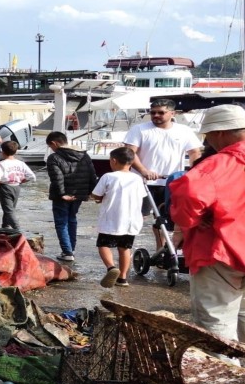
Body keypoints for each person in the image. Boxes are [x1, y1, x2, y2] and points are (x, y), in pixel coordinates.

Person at [170, 104, 245, 344]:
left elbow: (188, 195)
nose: (208, 140)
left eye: (208, 135)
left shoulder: (217, 165)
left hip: (220, 251)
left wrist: (193, 220)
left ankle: (223, 368)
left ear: (219, 132)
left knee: (215, 322)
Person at [124, 98, 202, 252]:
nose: (156, 115)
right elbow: (130, 152)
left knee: (164, 219)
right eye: (153, 112)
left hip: (170, 182)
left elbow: (194, 152)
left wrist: (193, 171)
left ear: (172, 113)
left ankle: (162, 250)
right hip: (142, 182)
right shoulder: (139, 129)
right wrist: (144, 171)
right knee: (137, 217)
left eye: (161, 112)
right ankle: (125, 248)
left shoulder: (184, 131)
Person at [90, 147, 146, 288]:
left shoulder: (108, 177)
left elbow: (96, 194)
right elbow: (142, 197)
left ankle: (111, 267)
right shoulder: (137, 178)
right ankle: (123, 278)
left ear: (114, 161)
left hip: (111, 219)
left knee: (103, 245)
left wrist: (98, 198)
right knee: (125, 248)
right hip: (131, 221)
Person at [45, 131, 98, 262]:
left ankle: (67, 252)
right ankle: (71, 249)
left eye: (50, 146)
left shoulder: (54, 157)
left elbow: (57, 178)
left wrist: (62, 194)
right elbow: (92, 175)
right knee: (72, 219)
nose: (51, 149)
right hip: (79, 194)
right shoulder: (84, 155)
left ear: (54, 143)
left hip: (62, 196)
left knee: (61, 222)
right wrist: (91, 192)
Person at [0, 141, 36, 230]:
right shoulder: (21, 163)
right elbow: (32, 176)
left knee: (8, 210)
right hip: (17, 187)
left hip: (5, 187)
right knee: (10, 209)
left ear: (2, 152)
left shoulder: (1, 164)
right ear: (16, 151)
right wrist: (22, 181)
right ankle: (5, 227)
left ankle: (17, 229)